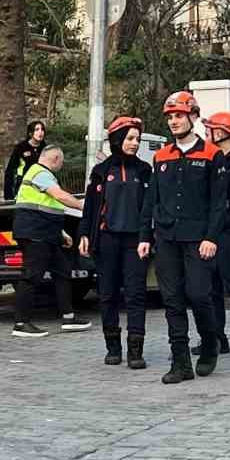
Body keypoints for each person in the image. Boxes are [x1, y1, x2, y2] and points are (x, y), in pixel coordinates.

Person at [138, 90, 227, 383]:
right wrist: (144, 237)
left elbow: (218, 201)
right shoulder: (161, 156)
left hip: (199, 238)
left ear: (193, 116)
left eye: (179, 115)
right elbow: (151, 200)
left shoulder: (212, 154)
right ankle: (180, 363)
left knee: (200, 295)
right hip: (166, 238)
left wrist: (211, 237)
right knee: (172, 300)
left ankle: (210, 344)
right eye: (170, 117)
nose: (174, 121)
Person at [79, 117, 151, 368]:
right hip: (106, 239)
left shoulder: (144, 171)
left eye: (137, 140)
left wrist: (147, 237)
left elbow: (149, 208)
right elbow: (90, 207)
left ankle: (135, 351)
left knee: (136, 295)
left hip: (135, 242)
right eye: (130, 139)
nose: (135, 144)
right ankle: (113, 347)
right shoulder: (100, 172)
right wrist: (84, 234)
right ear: (117, 140)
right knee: (107, 295)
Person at [11, 145, 92, 338]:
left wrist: (61, 233)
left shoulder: (39, 175)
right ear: (55, 158)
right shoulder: (40, 173)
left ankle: (68, 317)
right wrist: (85, 207)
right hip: (35, 233)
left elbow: (48, 205)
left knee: (62, 271)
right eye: (61, 161)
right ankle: (21, 323)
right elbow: (60, 196)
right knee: (32, 275)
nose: (61, 165)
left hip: (46, 232)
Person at [205, 110, 230, 359]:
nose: (205, 134)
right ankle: (217, 340)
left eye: (209, 129)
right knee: (210, 289)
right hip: (213, 233)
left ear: (221, 132)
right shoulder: (215, 159)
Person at [3, 119, 48, 200]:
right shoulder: (21, 147)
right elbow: (11, 170)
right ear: (30, 133)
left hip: (42, 183)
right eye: (37, 129)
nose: (40, 132)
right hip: (24, 183)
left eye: (42, 129)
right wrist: (9, 194)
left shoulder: (46, 148)